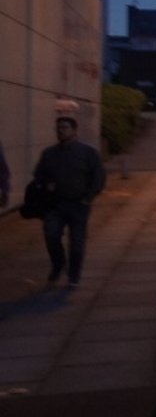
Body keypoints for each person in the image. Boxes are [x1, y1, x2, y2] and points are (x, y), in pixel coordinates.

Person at [31, 115, 106, 288]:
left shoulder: (88, 152)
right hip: (55, 204)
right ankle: (58, 265)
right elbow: (39, 174)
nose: (60, 131)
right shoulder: (49, 153)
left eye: (64, 127)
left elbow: (98, 177)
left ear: (74, 130)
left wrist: (89, 197)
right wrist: (44, 184)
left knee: (77, 242)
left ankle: (74, 275)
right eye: (58, 128)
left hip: (78, 204)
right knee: (51, 236)